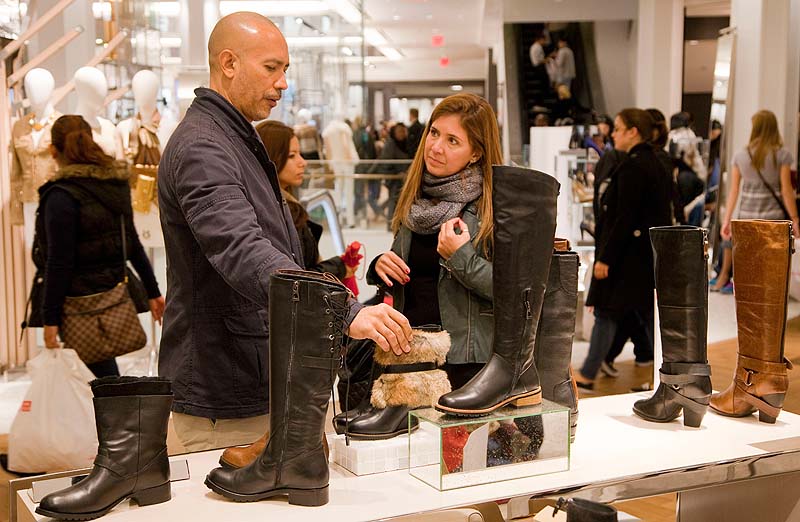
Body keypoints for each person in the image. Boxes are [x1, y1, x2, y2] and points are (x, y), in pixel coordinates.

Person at [157, 12, 411, 452]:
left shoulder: (231, 137)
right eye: (271, 68)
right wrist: (344, 311)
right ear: (229, 63)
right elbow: (243, 250)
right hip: (225, 394)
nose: (282, 84)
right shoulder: (204, 146)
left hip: (252, 376)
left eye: (285, 70)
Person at [367, 92, 499, 388]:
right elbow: (412, 272)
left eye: (453, 141)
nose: (436, 147)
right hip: (410, 359)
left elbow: (513, 291)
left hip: (463, 365)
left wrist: (460, 257)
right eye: (434, 133)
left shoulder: (492, 208)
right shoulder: (417, 198)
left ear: (476, 153)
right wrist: (379, 266)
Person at [34, 115, 164, 377]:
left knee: (94, 381)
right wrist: (153, 291)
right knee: (100, 375)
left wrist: (49, 318)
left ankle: (116, 418)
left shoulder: (60, 196)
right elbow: (132, 242)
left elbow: (58, 264)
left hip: (77, 304)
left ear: (53, 150)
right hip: (112, 295)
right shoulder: (114, 184)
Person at [576, 108, 672, 389]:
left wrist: (606, 257)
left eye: (618, 128)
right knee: (636, 313)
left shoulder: (634, 165)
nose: (612, 133)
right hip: (642, 253)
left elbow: (624, 216)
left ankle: (589, 372)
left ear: (633, 132)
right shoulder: (653, 161)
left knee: (609, 310)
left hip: (629, 255)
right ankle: (662, 373)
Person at [256, 120, 357, 279]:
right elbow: (293, 278)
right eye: (291, 156)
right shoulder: (271, 214)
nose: (303, 162)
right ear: (271, 157)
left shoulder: (288, 205)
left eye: (300, 154)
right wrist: (338, 267)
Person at [716, 110, 799, 293]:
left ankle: (750, 303)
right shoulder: (782, 155)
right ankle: (770, 304)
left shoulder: (741, 155)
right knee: (771, 267)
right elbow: (786, 190)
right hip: (773, 219)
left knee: (750, 266)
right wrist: (794, 218)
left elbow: (734, 190)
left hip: (747, 218)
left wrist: (728, 218)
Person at [371, 122, 410, 227]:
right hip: (394, 180)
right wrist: (397, 173)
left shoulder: (406, 144)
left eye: (403, 131)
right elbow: (386, 163)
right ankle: (391, 225)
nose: (402, 134)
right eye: (399, 131)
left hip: (404, 180)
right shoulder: (390, 145)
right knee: (393, 201)